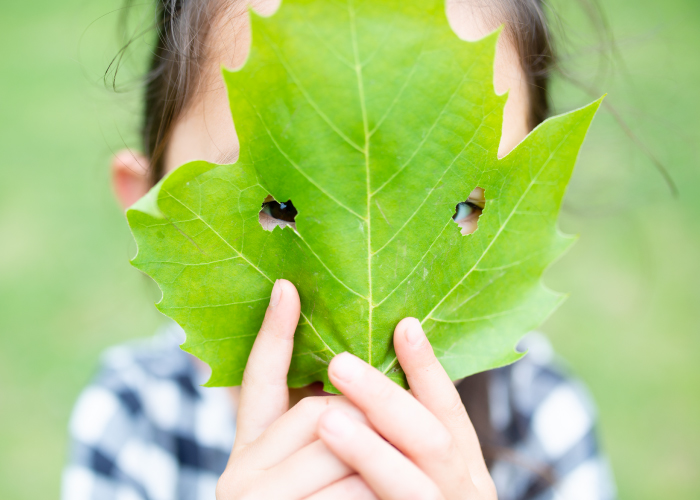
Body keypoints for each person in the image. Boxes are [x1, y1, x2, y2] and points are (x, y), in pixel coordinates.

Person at [63, 0, 617, 498]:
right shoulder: (133, 420)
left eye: (458, 209)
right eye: (276, 206)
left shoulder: (544, 424)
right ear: (147, 213)